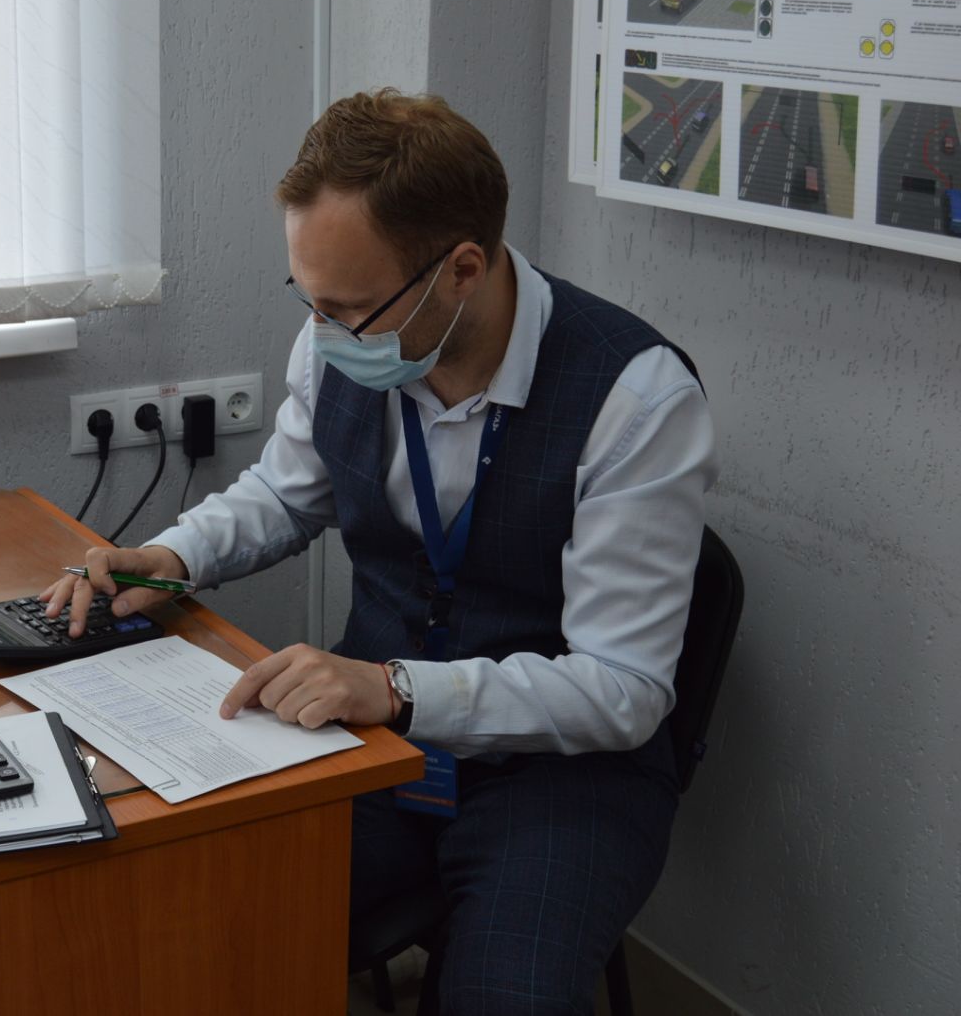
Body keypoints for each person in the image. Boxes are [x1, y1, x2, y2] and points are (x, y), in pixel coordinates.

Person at [41, 89, 716, 1014]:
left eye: (349, 309)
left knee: (502, 997)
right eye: (310, 300)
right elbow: (287, 491)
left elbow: (622, 688)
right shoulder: (347, 334)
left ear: (463, 269)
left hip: (560, 775)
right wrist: (174, 555)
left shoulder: (638, 399)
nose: (323, 334)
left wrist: (396, 688)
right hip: (372, 742)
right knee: (192, 925)